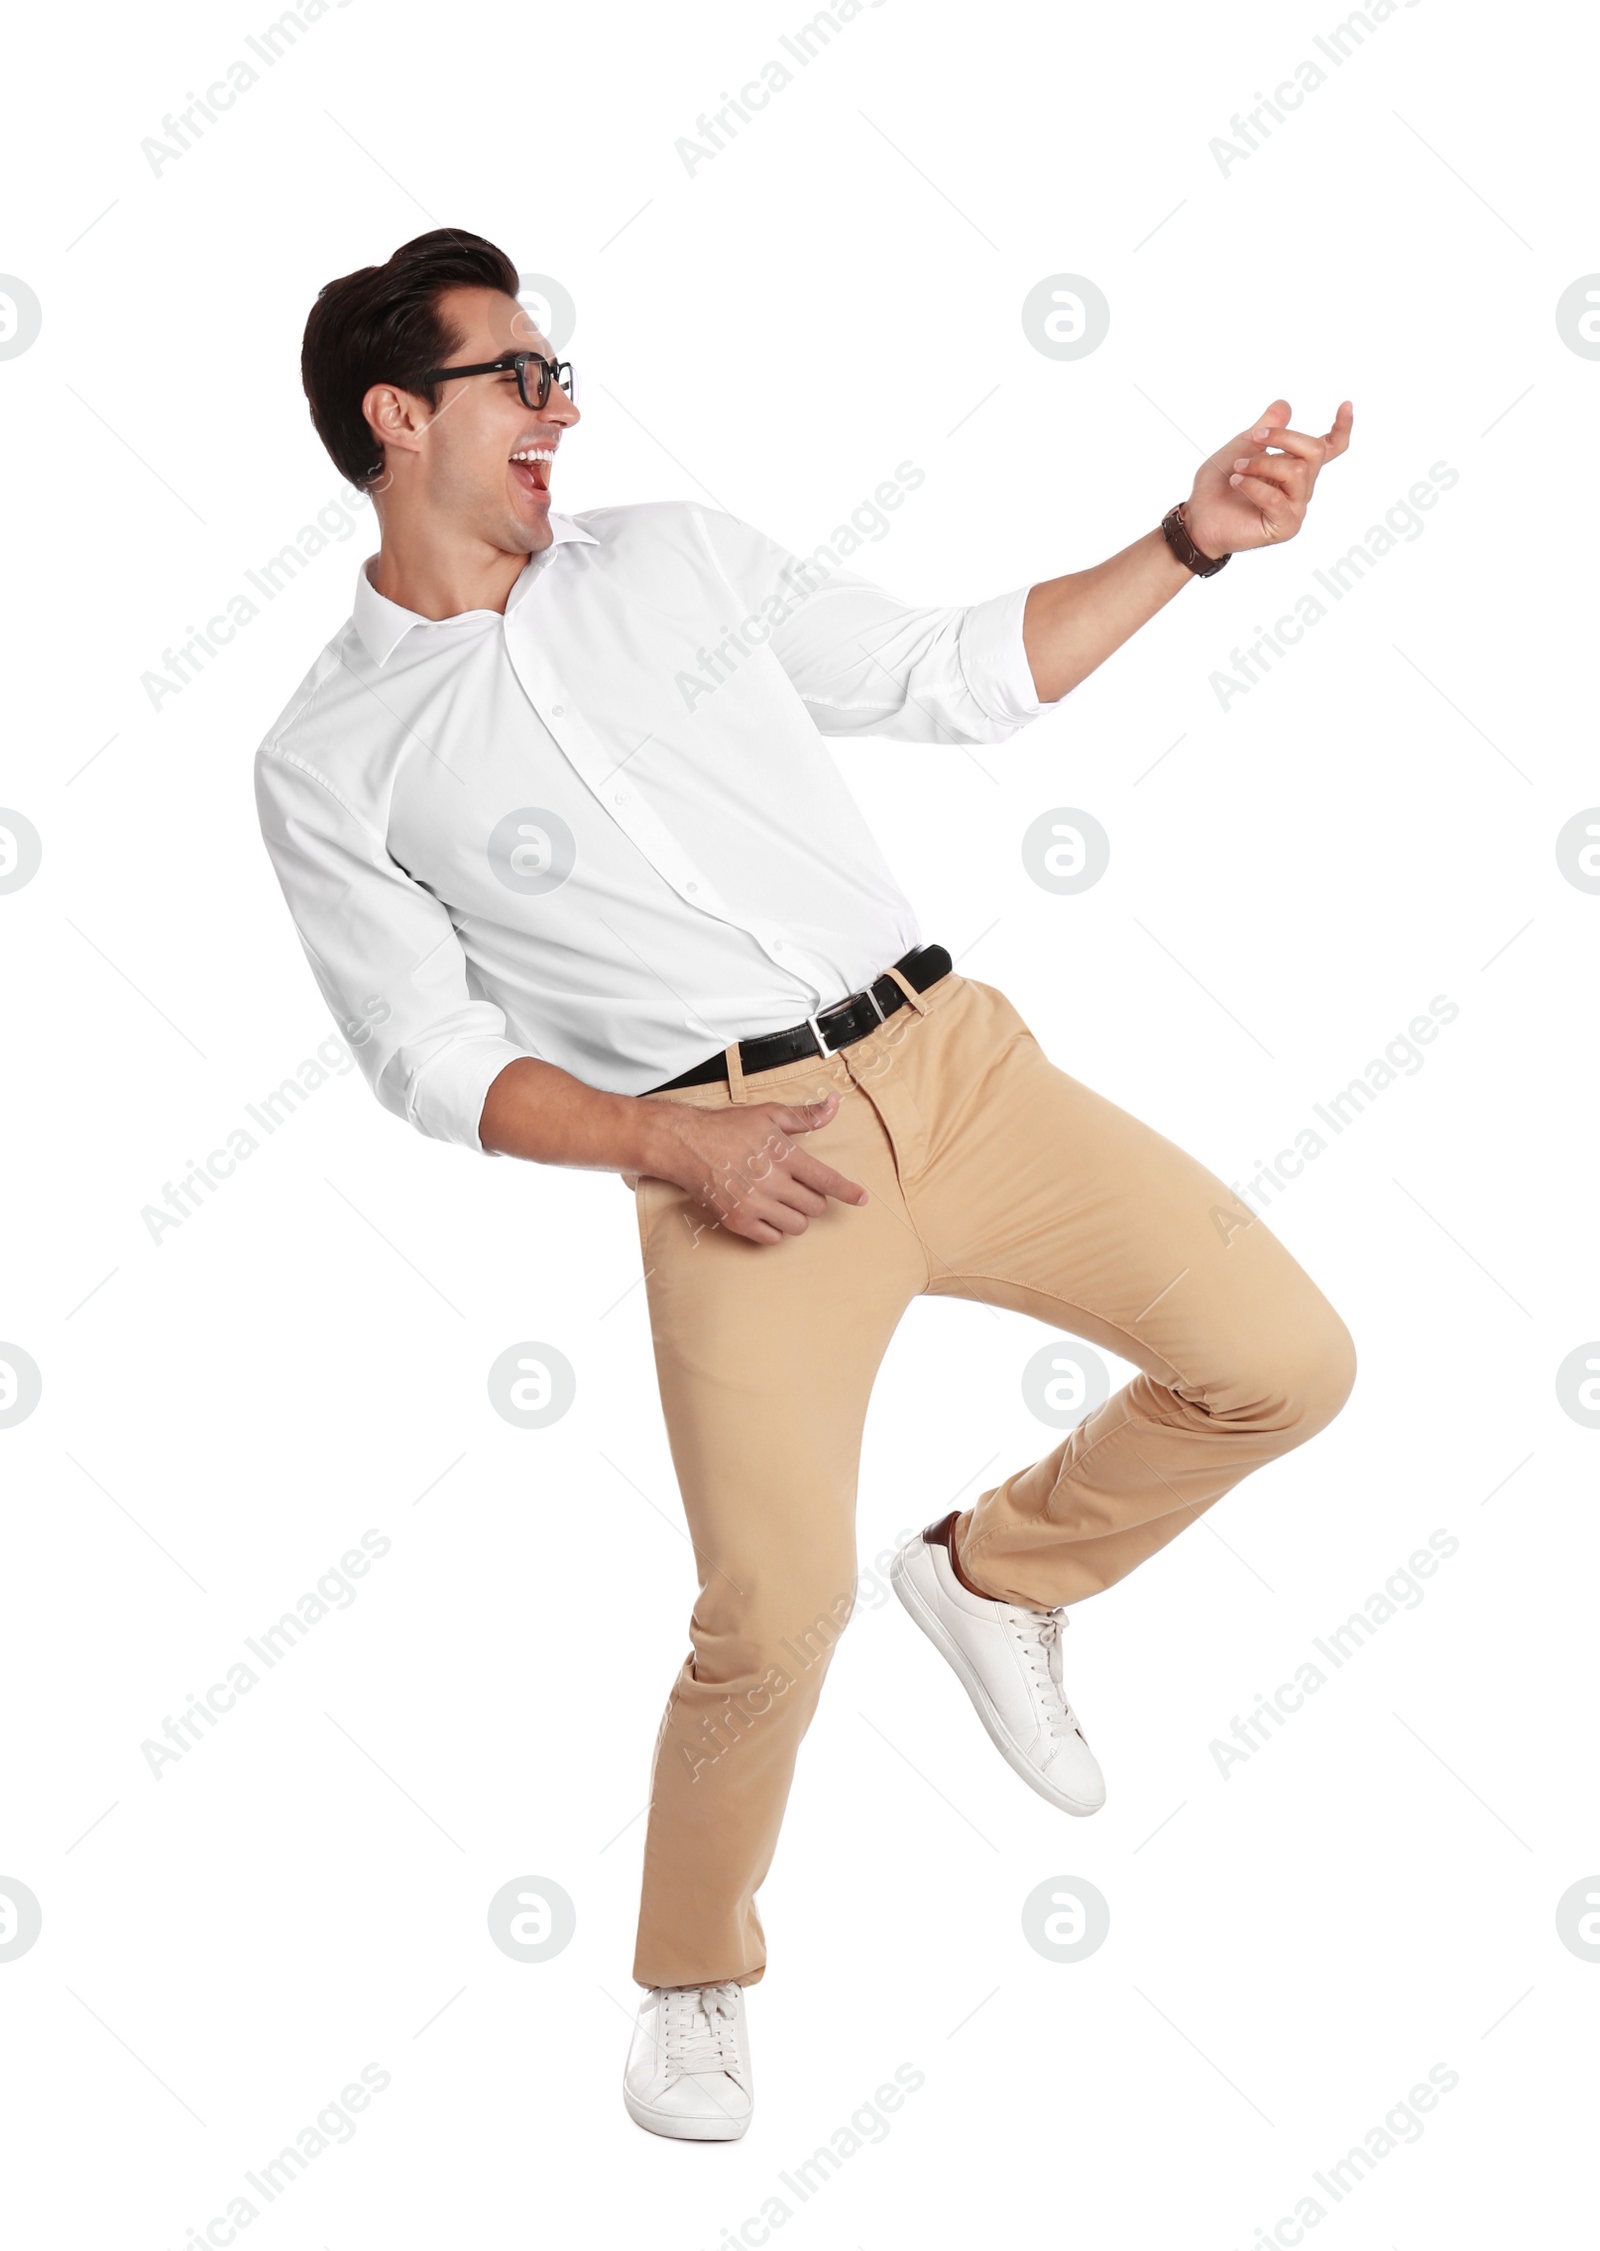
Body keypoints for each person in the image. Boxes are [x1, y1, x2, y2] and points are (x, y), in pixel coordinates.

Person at [255, 227, 1357, 2143]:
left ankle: (1000, 1572)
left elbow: (947, 676)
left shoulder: (673, 555)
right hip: (726, 1163)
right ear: (394, 415)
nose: (561, 405)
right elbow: (423, 1057)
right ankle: (692, 1977)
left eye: (556, 371)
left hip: (957, 1064)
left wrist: (1189, 542)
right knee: (768, 1611)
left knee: (1289, 1362)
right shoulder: (329, 754)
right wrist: (664, 1140)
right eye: (520, 374)